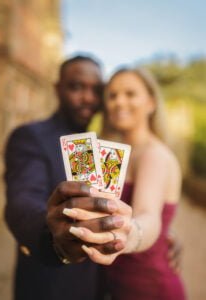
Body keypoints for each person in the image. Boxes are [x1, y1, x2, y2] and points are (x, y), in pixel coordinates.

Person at [4, 56, 181, 300]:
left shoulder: (106, 150)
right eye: (76, 87)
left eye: (97, 90)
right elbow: (22, 203)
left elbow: (146, 215)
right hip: (51, 286)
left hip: (104, 286)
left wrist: (150, 235)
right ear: (58, 88)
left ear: (151, 102)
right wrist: (57, 238)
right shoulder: (31, 137)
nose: (88, 97)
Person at [62, 67, 186, 299]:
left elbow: (148, 215)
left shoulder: (154, 155)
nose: (119, 102)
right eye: (112, 95)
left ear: (151, 102)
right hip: (114, 284)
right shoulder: (107, 155)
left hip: (149, 285)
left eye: (130, 94)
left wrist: (129, 235)